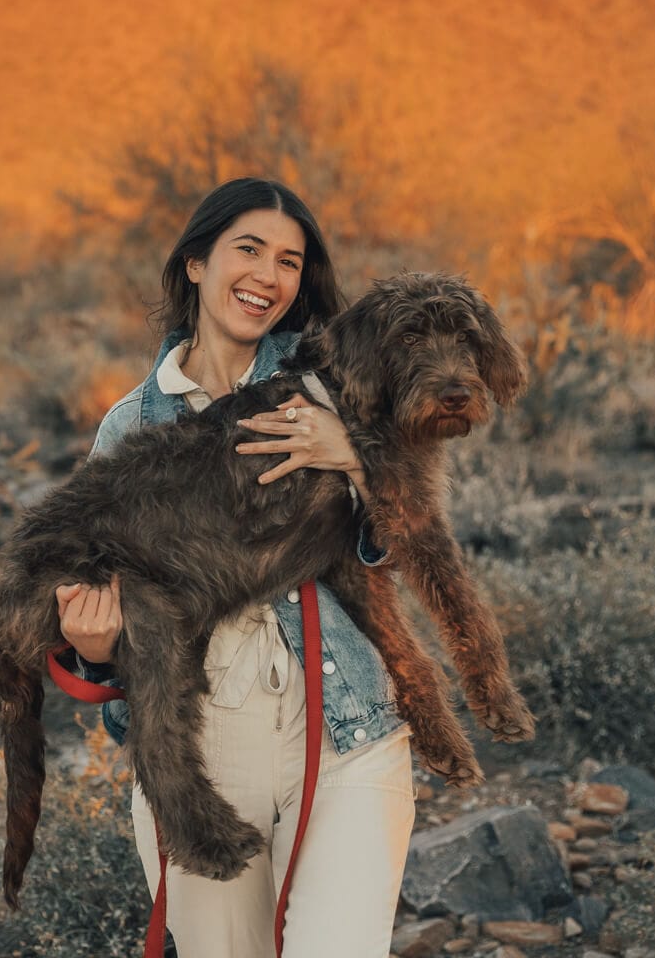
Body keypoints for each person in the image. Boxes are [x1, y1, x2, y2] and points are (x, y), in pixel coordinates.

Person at [55, 178, 415, 958]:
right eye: (247, 250)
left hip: (347, 725)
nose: (267, 276)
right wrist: (92, 649)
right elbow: (103, 607)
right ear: (195, 262)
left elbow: (412, 537)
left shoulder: (337, 387)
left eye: (288, 261)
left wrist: (353, 457)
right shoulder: (131, 425)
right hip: (198, 747)